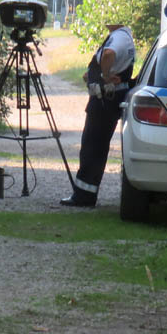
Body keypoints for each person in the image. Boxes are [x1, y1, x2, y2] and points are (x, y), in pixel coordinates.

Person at [60, 24, 135, 207]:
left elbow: (109, 54)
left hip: (104, 98)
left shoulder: (119, 37)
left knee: (92, 146)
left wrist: (103, 75)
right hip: (108, 96)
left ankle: (84, 196)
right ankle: (85, 193)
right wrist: (94, 75)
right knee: (95, 145)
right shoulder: (123, 36)